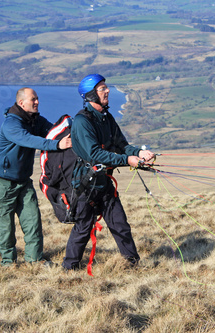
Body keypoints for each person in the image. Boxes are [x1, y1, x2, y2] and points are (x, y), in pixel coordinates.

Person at [62, 74, 155, 271]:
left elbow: (121, 145)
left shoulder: (107, 117)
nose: (108, 91)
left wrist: (139, 153)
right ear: (91, 95)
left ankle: (133, 265)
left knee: (120, 225)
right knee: (83, 229)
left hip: (104, 182)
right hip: (85, 185)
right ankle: (69, 269)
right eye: (102, 88)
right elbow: (95, 154)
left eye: (106, 87)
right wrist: (127, 160)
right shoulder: (82, 121)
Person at [0, 87, 72, 267]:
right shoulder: (11, 124)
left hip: (23, 181)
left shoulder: (35, 121)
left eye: (37, 98)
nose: (37, 102)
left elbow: (53, 131)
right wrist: (57, 145)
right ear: (21, 103)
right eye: (33, 99)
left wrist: (74, 128)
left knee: (32, 221)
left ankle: (35, 260)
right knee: (5, 227)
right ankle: (8, 263)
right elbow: (29, 140)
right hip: (2, 183)